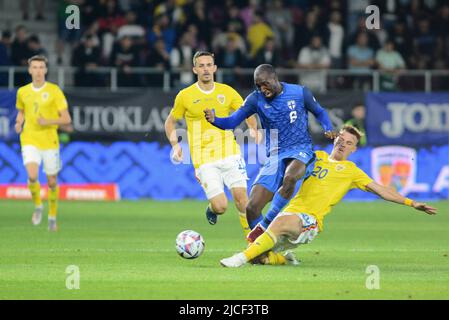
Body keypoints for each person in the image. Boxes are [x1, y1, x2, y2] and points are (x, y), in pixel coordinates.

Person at [220, 125, 438, 267]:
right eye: (341, 139)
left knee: (274, 229)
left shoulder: (352, 171)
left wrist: (411, 202)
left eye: (349, 143)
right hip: (290, 213)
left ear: (354, 149)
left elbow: (382, 190)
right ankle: (283, 258)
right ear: (335, 139)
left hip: (309, 222)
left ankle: (238, 259)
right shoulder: (317, 157)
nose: (343, 144)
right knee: (259, 257)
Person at [204, 64, 336, 249]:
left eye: (265, 84)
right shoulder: (255, 99)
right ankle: (263, 250)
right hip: (274, 155)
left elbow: (320, 112)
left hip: (300, 149)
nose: (262, 89)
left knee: (290, 177)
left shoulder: (299, 93)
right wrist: (215, 120)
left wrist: (328, 127)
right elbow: (233, 121)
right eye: (258, 85)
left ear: (274, 78)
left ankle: (266, 224)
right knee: (251, 207)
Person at [164, 51, 259, 237]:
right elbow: (170, 122)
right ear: (194, 69)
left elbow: (247, 111)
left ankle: (252, 241)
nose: (206, 69)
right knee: (221, 206)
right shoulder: (185, 96)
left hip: (230, 152)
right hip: (203, 158)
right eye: (201, 65)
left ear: (215, 68)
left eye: (209, 65)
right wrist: (176, 145)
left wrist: (254, 128)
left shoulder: (227, 92)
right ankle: (212, 209)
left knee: (242, 200)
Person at [15, 55, 72, 231]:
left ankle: (52, 216)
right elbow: (21, 112)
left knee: (52, 182)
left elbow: (66, 118)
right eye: (35, 67)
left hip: (49, 140)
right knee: (32, 176)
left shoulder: (54, 91)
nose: (38, 71)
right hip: (29, 138)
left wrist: (46, 121)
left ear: (46, 70)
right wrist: (18, 122)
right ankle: (38, 206)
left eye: (41, 67)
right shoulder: (22, 92)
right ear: (30, 70)